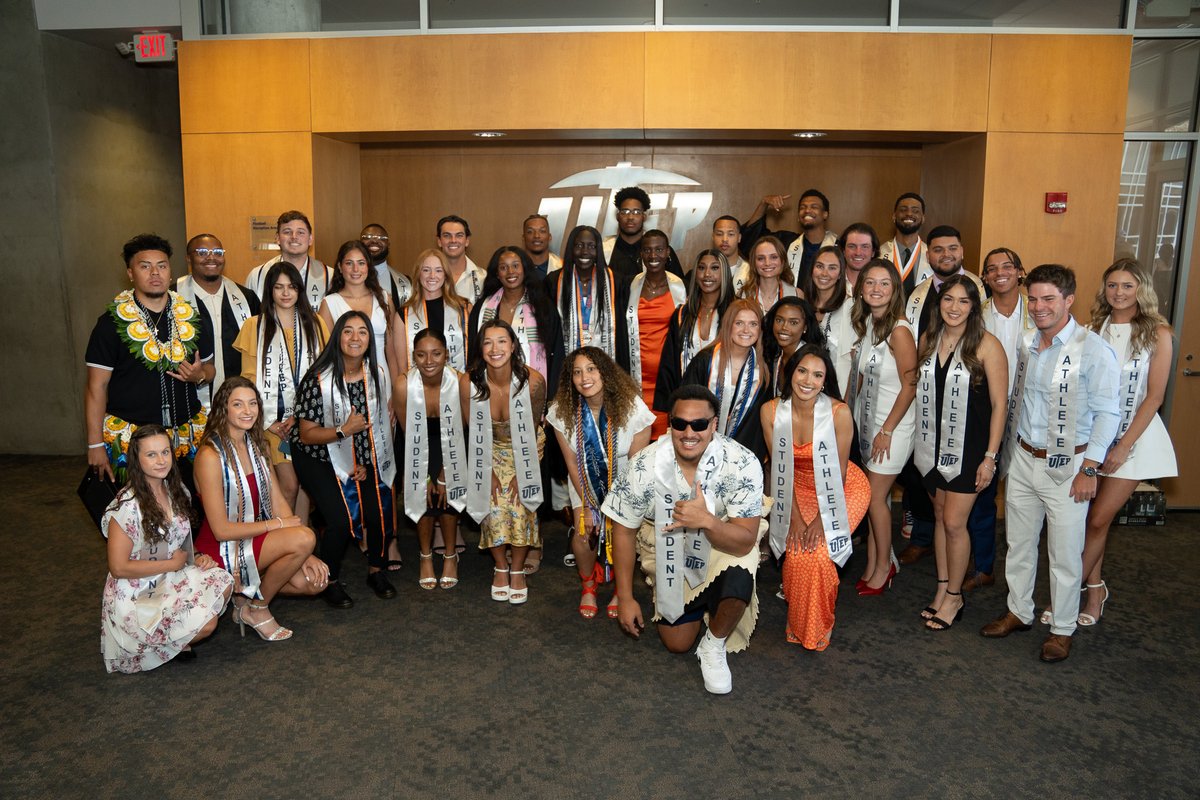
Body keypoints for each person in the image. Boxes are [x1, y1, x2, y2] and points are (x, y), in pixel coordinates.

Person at [981, 264, 1120, 664]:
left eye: (1049, 299)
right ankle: (1019, 611)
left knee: (1064, 552)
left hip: (1070, 466)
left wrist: (1090, 468)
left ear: (1069, 300)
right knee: (1019, 543)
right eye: (1034, 299)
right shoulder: (1027, 343)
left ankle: (1062, 629)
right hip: (1025, 458)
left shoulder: (1092, 350)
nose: (1039, 307)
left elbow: (1108, 414)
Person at [603, 385, 765, 695]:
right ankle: (698, 603)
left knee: (743, 564)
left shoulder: (741, 461)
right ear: (669, 424)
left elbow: (744, 540)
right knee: (677, 644)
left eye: (700, 424)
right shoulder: (643, 465)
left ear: (714, 425)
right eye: (680, 423)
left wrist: (706, 521)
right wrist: (624, 596)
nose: (689, 432)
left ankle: (714, 645)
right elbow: (622, 529)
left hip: (721, 540)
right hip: (664, 545)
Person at [193, 377, 328, 640]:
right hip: (221, 549)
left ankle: (243, 595)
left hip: (253, 540)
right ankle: (258, 608)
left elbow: (279, 505)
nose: (247, 411)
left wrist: (305, 552)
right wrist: (282, 529)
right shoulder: (209, 456)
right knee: (304, 537)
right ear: (224, 409)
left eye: (252, 403)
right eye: (238, 404)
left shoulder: (258, 446)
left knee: (312, 582)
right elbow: (221, 530)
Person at [1080, 259, 1176, 626]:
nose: (1118, 293)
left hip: (1134, 440)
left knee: (1098, 519)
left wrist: (1121, 447)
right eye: (1112, 286)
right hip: (1094, 438)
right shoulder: (1093, 330)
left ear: (1141, 290)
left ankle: (1068, 594)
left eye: (1127, 286)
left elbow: (1154, 398)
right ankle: (1095, 592)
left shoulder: (1157, 333)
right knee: (1092, 521)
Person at [913, 276, 1008, 630]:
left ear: (974, 307)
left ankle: (955, 596)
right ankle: (942, 587)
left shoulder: (987, 345)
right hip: (932, 444)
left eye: (963, 301)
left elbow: (1000, 405)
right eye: (948, 300)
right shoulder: (929, 339)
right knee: (940, 516)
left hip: (971, 448)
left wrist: (990, 457)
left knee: (955, 522)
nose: (954, 307)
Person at [761, 346, 869, 650]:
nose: (808, 380)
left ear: (825, 381)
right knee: (796, 549)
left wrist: (823, 520)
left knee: (821, 552)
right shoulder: (771, 412)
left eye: (818, 375)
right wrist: (793, 517)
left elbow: (842, 473)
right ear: (790, 372)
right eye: (802, 371)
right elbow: (777, 471)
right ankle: (799, 619)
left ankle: (818, 624)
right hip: (791, 490)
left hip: (841, 489)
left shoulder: (838, 413)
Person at [101, 424, 233, 673]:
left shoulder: (176, 490)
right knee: (207, 624)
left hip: (170, 573)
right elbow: (118, 568)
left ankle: (170, 640)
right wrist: (172, 565)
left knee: (224, 581)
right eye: (151, 455)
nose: (161, 461)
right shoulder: (126, 506)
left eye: (165, 452)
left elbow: (179, 538)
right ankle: (153, 646)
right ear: (137, 460)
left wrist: (197, 558)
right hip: (137, 588)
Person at [85, 234, 214, 485]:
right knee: (139, 516)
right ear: (130, 273)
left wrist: (200, 375)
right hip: (133, 441)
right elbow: (95, 387)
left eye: (162, 266)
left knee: (189, 512)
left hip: (185, 438)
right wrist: (95, 444)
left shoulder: (192, 318)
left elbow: (210, 369)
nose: (155, 273)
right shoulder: (110, 324)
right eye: (145, 266)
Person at [293, 310, 398, 607]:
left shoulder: (374, 374)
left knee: (378, 504)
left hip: (357, 456)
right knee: (339, 520)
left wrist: (362, 463)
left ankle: (377, 569)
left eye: (362, 332)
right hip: (317, 458)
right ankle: (330, 579)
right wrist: (343, 431)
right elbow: (307, 435)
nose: (355, 338)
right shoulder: (318, 379)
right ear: (337, 336)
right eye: (348, 331)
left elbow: (372, 426)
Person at [898, 225, 987, 568]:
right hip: (928, 402)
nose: (945, 255)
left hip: (967, 409)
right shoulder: (919, 293)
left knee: (966, 503)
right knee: (927, 484)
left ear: (962, 252)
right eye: (937, 249)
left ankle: (977, 566)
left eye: (952, 248)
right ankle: (924, 540)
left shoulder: (977, 290)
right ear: (928, 254)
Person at [549, 347, 655, 619]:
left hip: (625, 483)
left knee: (623, 532)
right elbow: (572, 464)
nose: (584, 377)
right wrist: (587, 505)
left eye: (592, 369)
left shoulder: (634, 408)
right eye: (577, 372)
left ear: (605, 372)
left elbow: (636, 466)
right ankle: (588, 584)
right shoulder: (562, 412)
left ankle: (622, 588)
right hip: (584, 481)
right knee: (584, 534)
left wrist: (616, 512)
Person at [232, 260, 330, 515]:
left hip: (308, 422)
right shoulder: (255, 326)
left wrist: (301, 417)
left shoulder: (315, 324)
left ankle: (301, 544)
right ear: (270, 291)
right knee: (288, 485)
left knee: (305, 486)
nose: (286, 293)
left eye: (291, 287)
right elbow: (248, 379)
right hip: (272, 425)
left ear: (300, 290)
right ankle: (282, 540)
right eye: (278, 287)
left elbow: (323, 375)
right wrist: (267, 422)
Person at [460, 320, 547, 605]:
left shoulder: (533, 382)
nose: (495, 348)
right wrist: (486, 473)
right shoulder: (469, 382)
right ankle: (500, 565)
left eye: (501, 341)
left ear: (512, 346)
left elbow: (534, 434)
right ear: (480, 348)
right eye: (487, 342)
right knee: (493, 500)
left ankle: (518, 568)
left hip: (526, 449)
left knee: (520, 500)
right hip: (486, 448)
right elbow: (470, 431)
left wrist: (526, 474)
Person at [965, 246, 1034, 592]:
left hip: (1031, 418)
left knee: (1025, 499)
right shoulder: (975, 317)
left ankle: (1025, 576)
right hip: (986, 414)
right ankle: (983, 566)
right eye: (991, 269)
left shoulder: (1038, 313)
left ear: (1021, 272)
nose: (999, 273)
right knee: (983, 491)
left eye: (1007, 266)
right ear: (985, 278)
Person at [849, 258, 917, 595]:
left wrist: (887, 430)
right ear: (861, 289)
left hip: (893, 426)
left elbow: (910, 385)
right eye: (870, 283)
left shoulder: (899, 330)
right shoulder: (871, 325)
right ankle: (876, 560)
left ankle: (884, 567)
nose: (876, 289)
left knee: (874, 498)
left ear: (894, 290)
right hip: (869, 422)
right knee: (881, 499)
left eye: (884, 284)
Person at [395, 328, 468, 591]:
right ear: (413, 356)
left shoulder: (460, 382)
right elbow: (406, 433)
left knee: (447, 498)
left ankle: (450, 555)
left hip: (454, 445)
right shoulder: (404, 384)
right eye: (421, 355)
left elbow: (465, 430)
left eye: (436, 354)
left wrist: (447, 474)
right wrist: (423, 475)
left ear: (446, 355)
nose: (429, 361)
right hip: (417, 444)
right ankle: (425, 555)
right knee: (423, 498)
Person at [660, 298, 772, 459]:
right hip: (698, 452)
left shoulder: (763, 372)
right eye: (739, 323)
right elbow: (683, 407)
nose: (746, 330)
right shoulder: (705, 361)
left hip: (741, 458)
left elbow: (756, 429)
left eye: (753, 324)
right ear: (728, 325)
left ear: (760, 329)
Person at [172, 233, 259, 410]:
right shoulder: (172, 299)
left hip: (240, 400)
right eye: (202, 252)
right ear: (189, 258)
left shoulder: (246, 298)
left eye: (218, 252)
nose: (211, 257)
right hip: (188, 401)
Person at [617, 229, 687, 439]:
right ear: (641, 254)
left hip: (668, 378)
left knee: (668, 440)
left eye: (659, 250)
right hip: (636, 376)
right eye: (647, 250)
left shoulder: (681, 286)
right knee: (638, 439)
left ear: (668, 253)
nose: (653, 255)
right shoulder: (629, 285)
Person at [468, 245, 563, 389]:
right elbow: (474, 352)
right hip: (489, 390)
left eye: (516, 266)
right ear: (497, 274)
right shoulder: (482, 308)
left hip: (533, 389)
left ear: (525, 269)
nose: (510, 272)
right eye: (503, 267)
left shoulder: (543, 308)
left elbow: (556, 354)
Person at [657, 248, 735, 398]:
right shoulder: (683, 314)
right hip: (687, 398)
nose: (707, 274)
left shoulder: (736, 312)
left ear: (725, 272)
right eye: (701, 268)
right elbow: (669, 365)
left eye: (714, 268)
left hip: (725, 397)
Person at [319, 239, 397, 386]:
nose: (356, 269)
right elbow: (327, 354)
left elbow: (392, 353)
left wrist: (396, 391)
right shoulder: (329, 303)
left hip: (382, 380)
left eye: (361, 263)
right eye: (349, 263)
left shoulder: (385, 299)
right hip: (344, 382)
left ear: (368, 266)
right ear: (340, 267)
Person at [548, 225, 621, 359]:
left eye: (591, 246)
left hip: (604, 361)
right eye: (579, 245)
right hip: (566, 360)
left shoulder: (615, 282)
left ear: (599, 250)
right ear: (571, 248)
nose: (585, 252)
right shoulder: (554, 281)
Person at [395, 248, 472, 373]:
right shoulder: (403, 315)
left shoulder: (464, 309)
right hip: (418, 389)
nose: (432, 276)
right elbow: (402, 367)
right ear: (418, 274)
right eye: (426, 270)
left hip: (458, 386)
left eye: (438, 270)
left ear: (445, 275)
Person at [740, 189, 837, 287]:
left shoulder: (839, 247)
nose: (807, 210)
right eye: (803, 207)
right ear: (798, 217)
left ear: (825, 214)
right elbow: (749, 240)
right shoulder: (786, 242)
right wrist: (763, 203)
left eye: (814, 207)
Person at [245, 211, 332, 311]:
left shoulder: (329, 276)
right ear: (277, 238)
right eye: (287, 232)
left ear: (310, 239)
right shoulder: (257, 276)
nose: (294, 237)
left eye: (300, 232)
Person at [805, 245, 855, 398]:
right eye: (819, 266)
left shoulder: (850, 308)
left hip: (836, 395)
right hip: (804, 390)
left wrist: (845, 404)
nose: (824, 273)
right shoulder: (803, 304)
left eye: (832, 268)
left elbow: (856, 367)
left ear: (841, 274)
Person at [602, 186, 683, 280]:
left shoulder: (660, 251)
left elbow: (679, 286)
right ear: (618, 216)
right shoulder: (603, 249)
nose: (630, 217)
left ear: (644, 217)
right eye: (625, 211)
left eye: (636, 212)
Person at [762, 296, 826, 395]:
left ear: (805, 327)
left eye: (793, 323)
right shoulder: (775, 355)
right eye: (779, 320)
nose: (784, 327)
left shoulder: (811, 360)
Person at [877, 193, 933, 294]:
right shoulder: (878, 253)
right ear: (894, 216)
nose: (909, 214)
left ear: (923, 218)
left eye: (915, 211)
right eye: (903, 210)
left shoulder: (932, 255)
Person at [738, 236, 802, 315]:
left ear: (783, 261)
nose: (767, 263)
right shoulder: (742, 294)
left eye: (773, 257)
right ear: (754, 263)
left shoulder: (796, 294)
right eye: (761, 258)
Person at [360, 223, 412, 311]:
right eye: (368, 237)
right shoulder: (347, 278)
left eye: (381, 238)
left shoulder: (406, 283)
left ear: (388, 244)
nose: (374, 241)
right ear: (359, 243)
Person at [436, 214, 487, 304]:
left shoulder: (482, 278)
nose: (453, 240)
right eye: (447, 235)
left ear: (467, 241)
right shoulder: (427, 277)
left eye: (459, 235)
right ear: (439, 241)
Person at [839, 222, 879, 292]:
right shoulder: (831, 282)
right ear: (843, 251)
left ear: (873, 252)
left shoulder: (881, 287)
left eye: (865, 247)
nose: (858, 253)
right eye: (852, 246)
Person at [712, 215, 748, 287]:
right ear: (713, 237)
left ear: (739, 238)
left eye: (731, 234)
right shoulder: (702, 272)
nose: (725, 239)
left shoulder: (750, 272)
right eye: (719, 234)